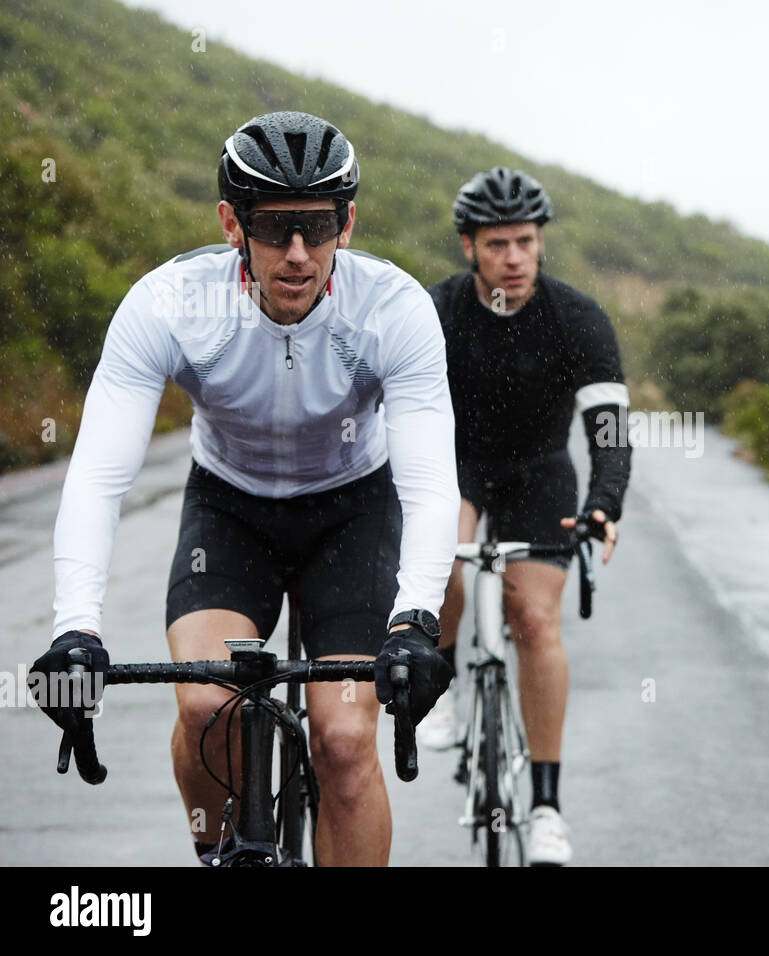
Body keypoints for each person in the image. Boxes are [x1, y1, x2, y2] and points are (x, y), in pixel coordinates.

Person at [28, 111, 459, 866]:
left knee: (346, 737)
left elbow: (428, 486)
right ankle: (218, 853)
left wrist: (416, 618)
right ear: (233, 222)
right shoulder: (169, 304)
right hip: (230, 509)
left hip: (352, 514)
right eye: (274, 228)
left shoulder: (394, 310)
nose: (298, 255)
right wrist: (76, 630)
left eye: (319, 228)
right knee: (205, 704)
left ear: (348, 223)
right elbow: (98, 477)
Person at [425, 166, 631, 866]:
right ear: (468, 248)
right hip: (456, 466)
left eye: (524, 242)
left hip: (540, 471)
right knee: (438, 552)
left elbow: (607, 427)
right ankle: (444, 677)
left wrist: (605, 502)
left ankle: (546, 807)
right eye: (496, 245)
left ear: (540, 243)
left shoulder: (576, 318)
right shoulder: (438, 311)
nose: (512, 258)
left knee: (536, 619)